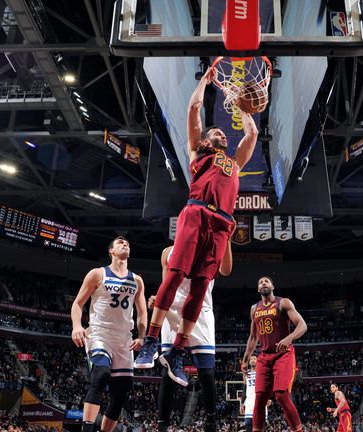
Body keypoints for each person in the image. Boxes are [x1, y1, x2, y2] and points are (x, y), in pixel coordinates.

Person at [135, 66, 259, 385]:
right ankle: (150, 342)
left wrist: (244, 109)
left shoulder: (234, 163)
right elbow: (193, 110)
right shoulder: (197, 154)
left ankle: (176, 352)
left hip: (222, 225)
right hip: (196, 212)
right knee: (175, 275)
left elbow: (253, 135)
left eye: (222, 134)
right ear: (205, 140)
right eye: (215, 133)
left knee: (202, 288)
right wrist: (204, 82)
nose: (221, 134)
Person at [152, 242, 233, 431]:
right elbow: (167, 284)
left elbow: (227, 270)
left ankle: (211, 422)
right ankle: (162, 424)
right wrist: (159, 299)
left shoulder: (213, 246)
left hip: (201, 309)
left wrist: (227, 237)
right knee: (168, 371)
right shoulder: (167, 251)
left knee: (206, 372)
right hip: (173, 310)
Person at [70, 237, 148, 432]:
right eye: (120, 242)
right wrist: (77, 326)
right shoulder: (97, 274)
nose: (125, 244)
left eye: (128, 243)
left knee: (122, 393)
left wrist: (141, 336)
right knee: (101, 375)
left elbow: (142, 311)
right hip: (99, 333)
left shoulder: (137, 280)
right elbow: (78, 303)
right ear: (111, 251)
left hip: (124, 339)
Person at [241, 276, 308, 432]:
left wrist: (289, 338)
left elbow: (302, 325)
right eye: (260, 282)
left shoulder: (283, 302)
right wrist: (245, 360)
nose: (263, 283)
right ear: (258, 289)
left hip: (283, 354)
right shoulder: (254, 309)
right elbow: (253, 337)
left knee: (281, 394)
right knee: (259, 399)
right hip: (264, 357)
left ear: (272, 286)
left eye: (266, 281)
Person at [240, 355, 269, 432]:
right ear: (249, 362)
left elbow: (268, 385)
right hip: (249, 402)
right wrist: (242, 404)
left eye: (254, 359)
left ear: (258, 361)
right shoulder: (246, 373)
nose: (253, 360)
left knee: (261, 425)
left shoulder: (263, 372)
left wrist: (269, 398)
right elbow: (244, 389)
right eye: (251, 359)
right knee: (248, 424)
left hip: (260, 401)